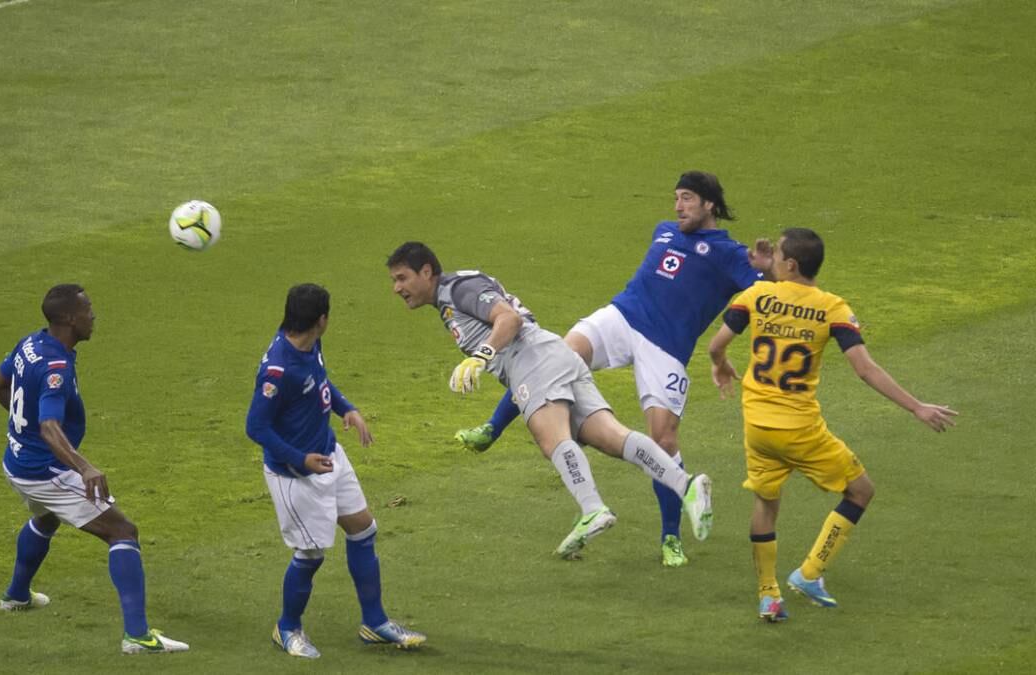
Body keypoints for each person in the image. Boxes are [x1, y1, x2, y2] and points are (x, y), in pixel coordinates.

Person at [455, 170, 773, 567]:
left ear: (710, 204)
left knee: (664, 439)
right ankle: (491, 428)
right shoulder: (664, 230)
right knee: (556, 356)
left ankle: (671, 538)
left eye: (688, 198)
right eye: (676, 198)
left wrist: (767, 269)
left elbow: (770, 294)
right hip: (622, 317)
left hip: (666, 346)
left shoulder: (729, 254)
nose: (678, 207)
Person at [387, 242, 713, 561]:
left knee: (552, 439)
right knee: (613, 437)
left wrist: (481, 355)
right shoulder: (451, 295)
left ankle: (592, 509)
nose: (397, 288)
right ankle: (686, 486)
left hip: (531, 359)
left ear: (426, 271)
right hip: (553, 354)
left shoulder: (458, 288)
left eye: (401, 278)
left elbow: (508, 319)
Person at [706, 228, 957, 622]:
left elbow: (716, 346)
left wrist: (721, 367)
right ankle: (810, 573)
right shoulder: (832, 308)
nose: (769, 257)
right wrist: (916, 407)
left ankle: (768, 595)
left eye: (777, 255)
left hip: (757, 425)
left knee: (765, 503)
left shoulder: (754, 297)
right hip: (801, 431)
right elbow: (864, 369)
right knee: (860, 491)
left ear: (790, 265)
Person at [0, 284, 188, 654]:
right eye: (88, 309)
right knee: (123, 531)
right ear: (68, 318)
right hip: (45, 472)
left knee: (47, 519)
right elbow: (49, 427)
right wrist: (84, 467)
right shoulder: (56, 367)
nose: (93, 315)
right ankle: (138, 636)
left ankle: (16, 596)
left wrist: (25, 431)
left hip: (16, 463)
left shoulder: (30, 342)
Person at [246, 283, 425, 659]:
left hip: (329, 455)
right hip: (295, 474)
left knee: (363, 529)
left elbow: (320, 384)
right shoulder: (278, 370)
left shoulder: (309, 343)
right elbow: (256, 428)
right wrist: (300, 458)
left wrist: (347, 409)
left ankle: (375, 623)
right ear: (322, 320)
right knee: (310, 556)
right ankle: (287, 627)